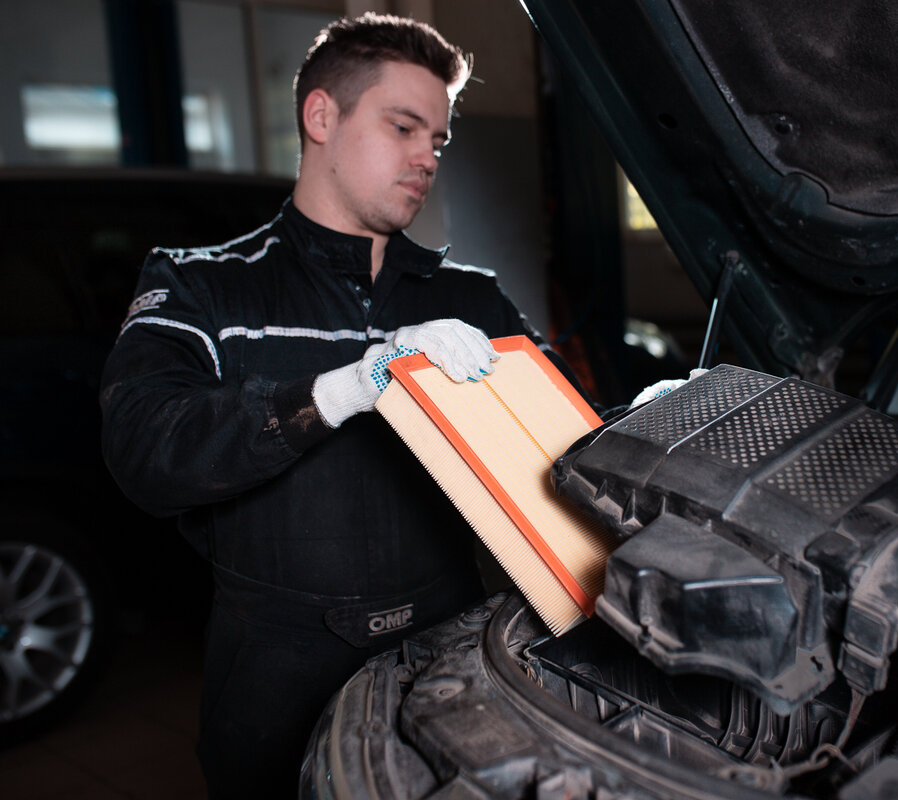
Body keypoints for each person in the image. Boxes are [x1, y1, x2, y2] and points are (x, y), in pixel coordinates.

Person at [100, 13, 566, 798]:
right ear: (322, 117)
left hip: (450, 653)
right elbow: (148, 448)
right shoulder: (202, 286)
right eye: (404, 127)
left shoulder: (470, 301)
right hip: (277, 673)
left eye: (439, 141)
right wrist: (346, 387)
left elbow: (561, 456)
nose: (428, 158)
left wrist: (645, 426)